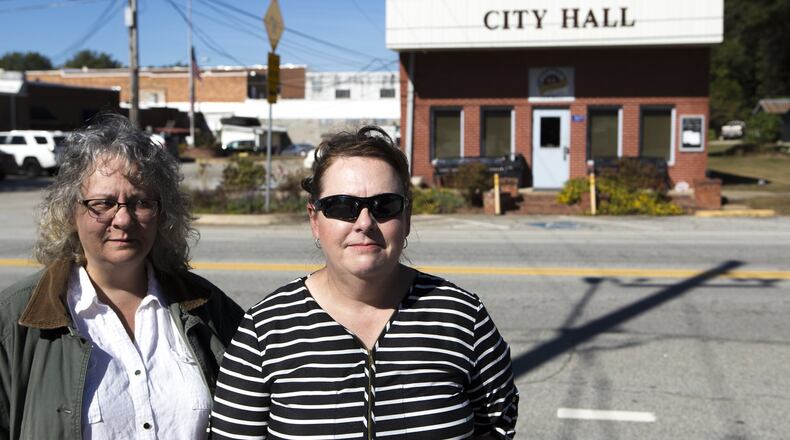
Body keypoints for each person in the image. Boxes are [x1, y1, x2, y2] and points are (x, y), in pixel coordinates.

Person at [211, 126, 519, 439]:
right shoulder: (266, 329)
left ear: (407, 217)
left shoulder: (463, 317)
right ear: (315, 220)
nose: (365, 223)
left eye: (384, 206)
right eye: (342, 206)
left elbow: (497, 423)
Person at [0, 113, 243, 439]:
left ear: (162, 213)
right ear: (72, 211)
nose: (124, 219)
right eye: (103, 203)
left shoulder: (210, 309)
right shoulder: (14, 321)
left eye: (141, 202)